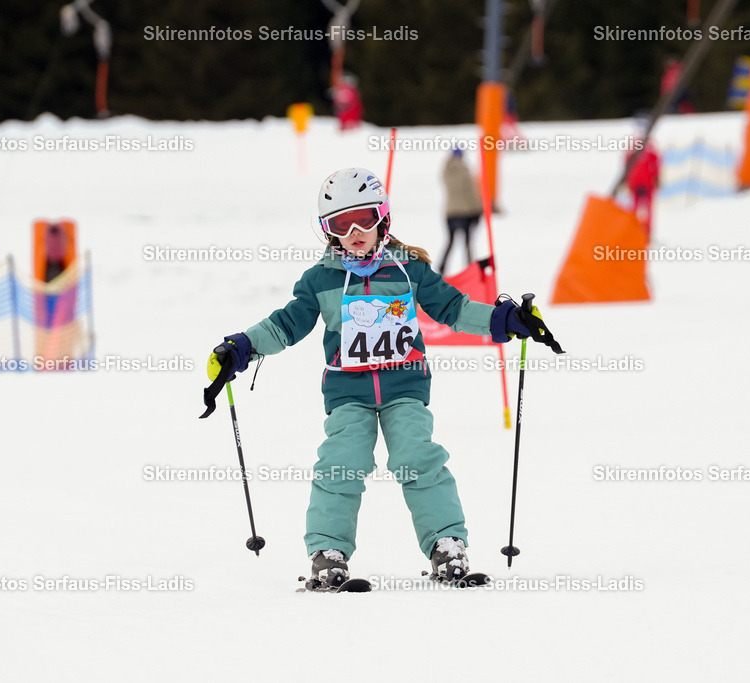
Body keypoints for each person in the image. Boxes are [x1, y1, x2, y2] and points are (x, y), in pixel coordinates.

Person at [203, 167, 556, 590]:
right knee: (342, 463)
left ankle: (446, 546)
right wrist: (242, 347)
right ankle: (328, 554)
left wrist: (504, 320)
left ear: (382, 218)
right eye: (341, 223)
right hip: (347, 393)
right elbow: (286, 325)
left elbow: (454, 308)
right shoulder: (320, 280)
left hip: (404, 387)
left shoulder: (409, 270)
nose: (354, 232)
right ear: (328, 230)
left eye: (364, 219)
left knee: (417, 457)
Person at [439, 149, 483, 276]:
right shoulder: (464, 171)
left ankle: (442, 267)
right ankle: (470, 268)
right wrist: (478, 209)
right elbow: (471, 193)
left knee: (450, 241)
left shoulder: (446, 170)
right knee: (467, 243)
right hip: (465, 212)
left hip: (450, 212)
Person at [624, 117, 660, 241]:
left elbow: (627, 163)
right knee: (644, 208)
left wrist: (627, 180)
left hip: (639, 181)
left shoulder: (634, 146)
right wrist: (657, 178)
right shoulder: (649, 146)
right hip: (645, 182)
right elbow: (656, 163)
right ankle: (642, 233)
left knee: (636, 207)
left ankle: (637, 232)